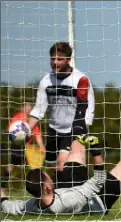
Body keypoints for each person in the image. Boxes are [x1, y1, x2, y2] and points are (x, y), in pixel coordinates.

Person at [0, 104, 121, 216]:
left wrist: (1, 197)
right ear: (48, 186)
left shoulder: (32, 206)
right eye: (48, 177)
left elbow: (10, 206)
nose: (51, 176)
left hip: (71, 190)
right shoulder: (68, 201)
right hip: (98, 199)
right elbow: (97, 182)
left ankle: (80, 107)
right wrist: (96, 152)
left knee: (77, 148)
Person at [27, 42, 95, 177]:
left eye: (60, 59)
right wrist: (26, 129)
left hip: (73, 129)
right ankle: (57, 194)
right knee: (52, 168)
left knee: (62, 164)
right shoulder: (46, 81)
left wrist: (82, 131)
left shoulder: (80, 79)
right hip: (54, 130)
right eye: (53, 59)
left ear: (69, 60)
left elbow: (89, 109)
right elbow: (38, 110)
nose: (55, 63)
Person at [2, 103, 46, 185]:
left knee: (37, 166)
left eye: (30, 107)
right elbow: (8, 130)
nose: (29, 108)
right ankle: (3, 185)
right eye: (27, 106)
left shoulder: (32, 120)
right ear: (22, 107)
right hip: (17, 146)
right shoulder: (17, 117)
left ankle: (38, 185)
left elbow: (37, 134)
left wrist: (42, 146)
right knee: (12, 165)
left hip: (28, 147)